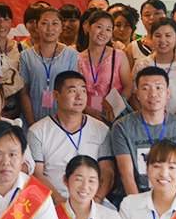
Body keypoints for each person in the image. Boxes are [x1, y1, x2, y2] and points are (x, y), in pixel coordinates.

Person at [110, 66, 176, 201]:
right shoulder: (123, 126)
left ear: (168, 92)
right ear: (137, 94)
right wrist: (138, 207)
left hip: (172, 198)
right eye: (146, 88)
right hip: (136, 196)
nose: (153, 94)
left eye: (159, 88)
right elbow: (126, 173)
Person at [29, 71, 114, 205]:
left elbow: (107, 171)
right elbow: (36, 173)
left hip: (92, 199)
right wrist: (59, 201)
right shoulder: (37, 131)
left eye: (83, 91)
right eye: (72, 91)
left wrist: (96, 200)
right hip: (52, 201)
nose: (79, 97)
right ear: (56, 95)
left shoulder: (101, 129)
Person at [19, 6, 79, 126]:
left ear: (61, 27)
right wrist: (31, 122)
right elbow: (23, 92)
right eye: (44, 23)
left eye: (55, 23)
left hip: (62, 117)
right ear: (37, 27)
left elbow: (73, 89)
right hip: (33, 115)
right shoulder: (26, 55)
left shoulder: (71, 54)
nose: (50, 28)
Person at [132, 18, 176, 116]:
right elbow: (133, 96)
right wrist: (148, 117)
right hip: (147, 120)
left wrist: (175, 120)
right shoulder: (141, 65)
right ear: (151, 37)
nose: (162, 40)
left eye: (168, 35)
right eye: (158, 36)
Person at [77, 10, 131, 123]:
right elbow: (73, 90)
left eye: (108, 29)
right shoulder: (77, 58)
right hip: (86, 116)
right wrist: (89, 111)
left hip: (114, 116)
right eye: (99, 27)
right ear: (88, 27)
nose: (103, 33)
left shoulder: (118, 55)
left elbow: (128, 86)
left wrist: (115, 108)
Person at [0, 2, 24, 119]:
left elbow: (25, 82)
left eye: (6, 20)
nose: (2, 24)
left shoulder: (20, 48)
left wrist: (17, 110)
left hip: (16, 108)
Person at [124, 0, 167, 66]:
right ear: (142, 19)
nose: (152, 18)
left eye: (157, 13)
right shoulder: (133, 48)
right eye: (147, 15)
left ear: (166, 16)